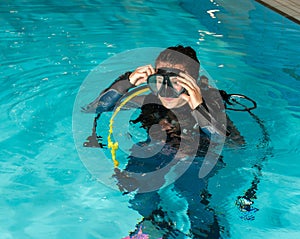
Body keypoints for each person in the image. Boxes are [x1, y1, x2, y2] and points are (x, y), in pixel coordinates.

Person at [83, 45, 244, 238]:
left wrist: (199, 108)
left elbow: (235, 144)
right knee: (138, 197)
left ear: (191, 83)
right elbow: (93, 108)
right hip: (155, 151)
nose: (166, 91)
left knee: (193, 199)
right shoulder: (149, 100)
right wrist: (127, 81)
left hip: (195, 159)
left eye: (175, 82)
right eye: (160, 81)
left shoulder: (210, 103)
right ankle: (157, 228)